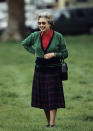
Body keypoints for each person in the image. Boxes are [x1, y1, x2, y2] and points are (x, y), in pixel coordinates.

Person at [21, 12, 68, 127]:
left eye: (43, 23)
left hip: (53, 71)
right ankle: (48, 122)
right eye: (39, 23)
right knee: (43, 98)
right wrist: (35, 53)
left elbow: (65, 53)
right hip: (40, 71)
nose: (41, 25)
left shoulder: (58, 36)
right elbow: (24, 44)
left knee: (52, 98)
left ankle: (52, 124)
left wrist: (54, 54)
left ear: (50, 24)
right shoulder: (35, 35)